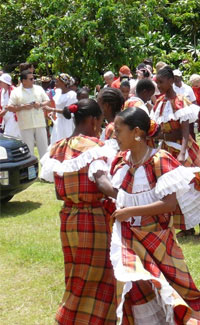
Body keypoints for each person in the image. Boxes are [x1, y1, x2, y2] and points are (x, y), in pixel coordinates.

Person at [109, 107, 200, 324]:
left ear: (136, 132)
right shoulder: (122, 162)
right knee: (138, 286)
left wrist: (129, 212)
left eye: (118, 131)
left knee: (175, 289)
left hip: (158, 239)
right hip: (128, 239)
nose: (114, 136)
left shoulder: (159, 160)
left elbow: (169, 204)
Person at [39, 99, 118, 324]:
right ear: (94, 120)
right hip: (93, 219)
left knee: (76, 270)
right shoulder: (95, 148)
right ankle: (82, 317)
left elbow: (57, 193)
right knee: (98, 274)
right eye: (101, 120)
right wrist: (130, 197)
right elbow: (103, 185)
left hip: (68, 218)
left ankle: (74, 316)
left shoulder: (57, 148)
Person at [151, 66, 200, 238]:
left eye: (161, 82)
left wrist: (182, 152)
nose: (159, 85)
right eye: (157, 82)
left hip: (181, 148)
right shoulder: (159, 103)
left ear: (171, 81)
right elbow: (156, 129)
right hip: (165, 149)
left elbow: (185, 130)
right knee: (173, 189)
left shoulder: (180, 101)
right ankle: (186, 227)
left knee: (191, 186)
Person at [7, 70, 50, 158]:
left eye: (33, 78)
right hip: (25, 125)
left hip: (39, 123)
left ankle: (46, 171)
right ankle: (32, 171)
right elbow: (9, 107)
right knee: (29, 151)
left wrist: (40, 104)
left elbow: (47, 101)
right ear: (23, 81)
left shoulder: (39, 88)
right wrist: (23, 107)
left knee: (44, 150)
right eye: (31, 79)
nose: (33, 80)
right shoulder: (16, 92)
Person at [48, 73, 78, 144]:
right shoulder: (58, 93)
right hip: (59, 122)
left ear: (63, 83)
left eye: (57, 81)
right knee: (56, 141)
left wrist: (52, 109)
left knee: (66, 141)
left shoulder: (71, 95)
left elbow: (67, 111)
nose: (55, 83)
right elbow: (57, 106)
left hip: (67, 122)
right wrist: (52, 113)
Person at [0, 73, 20, 137]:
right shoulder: (1, 91)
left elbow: (17, 104)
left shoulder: (14, 91)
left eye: (1, 82)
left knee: (9, 135)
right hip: (5, 118)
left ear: (5, 83)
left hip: (13, 117)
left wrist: (6, 109)